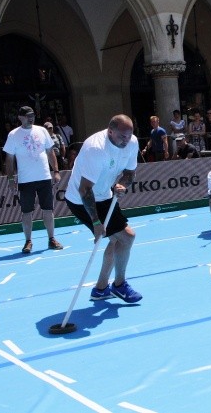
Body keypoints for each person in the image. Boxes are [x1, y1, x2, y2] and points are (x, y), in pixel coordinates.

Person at [64, 114, 142, 303]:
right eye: (122, 136)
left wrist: (123, 184)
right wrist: (96, 222)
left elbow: (130, 174)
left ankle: (101, 289)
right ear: (110, 131)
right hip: (80, 199)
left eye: (129, 136)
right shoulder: (96, 149)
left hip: (104, 194)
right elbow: (85, 189)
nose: (126, 140)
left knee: (118, 240)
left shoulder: (132, 142)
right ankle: (119, 285)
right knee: (126, 237)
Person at [3, 106, 63, 254]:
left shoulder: (42, 131)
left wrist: (55, 171)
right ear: (20, 117)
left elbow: (50, 152)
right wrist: (11, 179)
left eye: (33, 115)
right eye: (28, 116)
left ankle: (51, 238)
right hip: (26, 180)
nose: (31, 118)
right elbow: (9, 159)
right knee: (26, 212)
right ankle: (28, 240)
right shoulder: (13, 135)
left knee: (48, 210)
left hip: (44, 177)